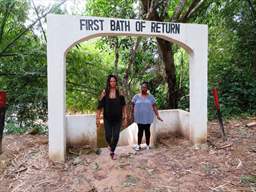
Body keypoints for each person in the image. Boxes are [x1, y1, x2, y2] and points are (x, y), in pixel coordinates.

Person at [96, 75, 127, 160]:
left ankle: (112, 152)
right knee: (108, 136)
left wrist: (125, 116)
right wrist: (98, 118)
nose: (112, 83)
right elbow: (99, 106)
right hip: (107, 119)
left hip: (118, 119)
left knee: (116, 136)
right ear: (108, 82)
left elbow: (124, 105)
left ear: (116, 82)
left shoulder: (119, 92)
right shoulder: (105, 92)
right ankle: (110, 145)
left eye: (114, 81)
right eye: (111, 81)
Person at [132, 82, 162, 151]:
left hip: (148, 117)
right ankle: (138, 145)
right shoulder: (136, 96)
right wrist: (133, 114)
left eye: (145, 87)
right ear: (140, 88)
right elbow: (133, 105)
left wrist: (157, 115)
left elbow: (154, 106)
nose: (143, 88)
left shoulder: (151, 97)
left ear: (147, 88)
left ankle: (147, 145)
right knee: (140, 131)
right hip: (139, 117)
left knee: (147, 131)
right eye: (142, 87)